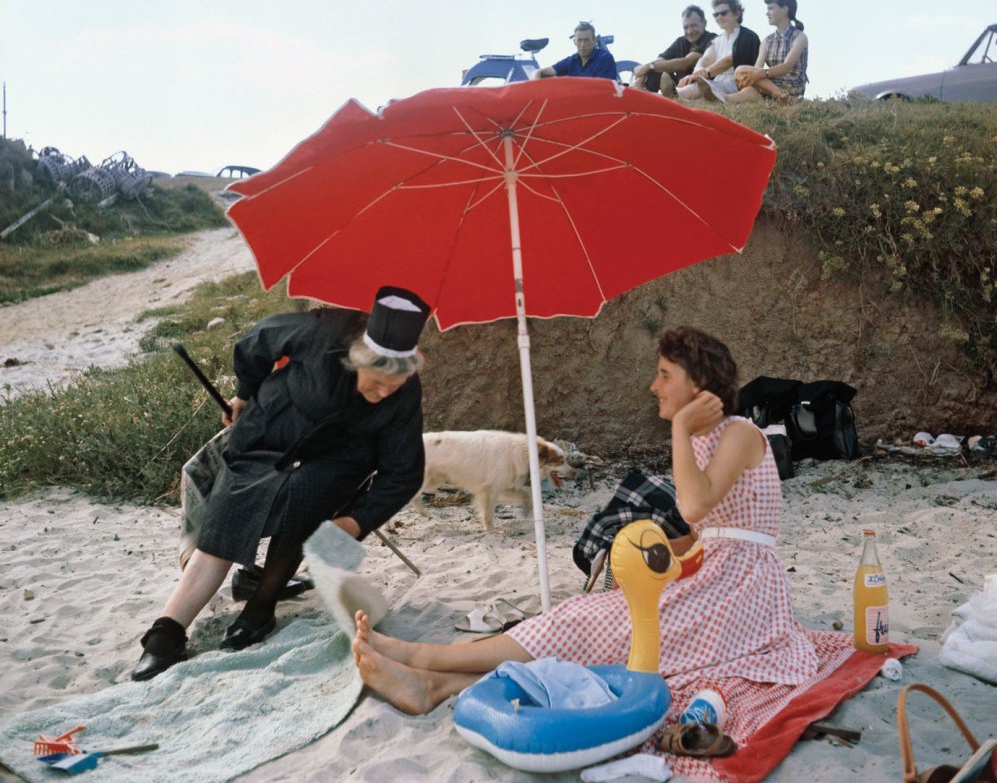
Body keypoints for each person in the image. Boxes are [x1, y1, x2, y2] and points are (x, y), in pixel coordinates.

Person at [352, 325, 821, 715]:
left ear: (698, 385)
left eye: (664, 375)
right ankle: (434, 685)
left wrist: (678, 428)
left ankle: (422, 659)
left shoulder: (738, 433)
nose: (653, 386)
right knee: (588, 621)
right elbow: (699, 533)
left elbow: (695, 508)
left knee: (594, 629)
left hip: (742, 591)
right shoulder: (702, 441)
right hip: (713, 577)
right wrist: (638, 558)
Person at [131, 285, 431, 682]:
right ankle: (166, 632)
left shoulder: (404, 393)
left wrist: (355, 522)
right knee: (225, 518)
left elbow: (403, 471)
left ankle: (260, 607)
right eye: (375, 382)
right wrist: (244, 394)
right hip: (268, 435)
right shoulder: (319, 334)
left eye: (391, 388)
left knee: (308, 499)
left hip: (337, 458)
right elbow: (255, 343)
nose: (382, 394)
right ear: (356, 359)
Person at [675, 0, 760, 103]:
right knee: (694, 97)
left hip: (738, 84)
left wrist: (705, 73)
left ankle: (667, 98)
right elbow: (705, 59)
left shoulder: (747, 36)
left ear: (737, 13)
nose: (719, 17)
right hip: (718, 83)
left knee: (692, 90)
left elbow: (729, 60)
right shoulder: (716, 40)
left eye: (723, 13)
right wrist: (699, 70)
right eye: (716, 14)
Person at [728, 0, 809, 103]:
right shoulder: (767, 41)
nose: (767, 13)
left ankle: (782, 95)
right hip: (771, 85)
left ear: (785, 10)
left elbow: (786, 66)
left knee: (741, 71)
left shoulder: (799, 37)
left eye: (771, 8)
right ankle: (724, 98)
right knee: (747, 85)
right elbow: (756, 69)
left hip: (792, 86)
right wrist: (752, 76)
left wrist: (760, 74)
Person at [631, 6, 717, 98]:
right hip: (680, 85)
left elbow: (686, 63)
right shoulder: (681, 41)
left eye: (694, 26)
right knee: (655, 71)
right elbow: (660, 60)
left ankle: (669, 97)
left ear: (704, 23)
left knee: (654, 68)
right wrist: (639, 80)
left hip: (702, 86)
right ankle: (638, 95)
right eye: (686, 27)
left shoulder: (712, 39)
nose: (690, 31)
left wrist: (649, 66)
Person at [535, 21, 618, 80]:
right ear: (575, 42)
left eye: (586, 40)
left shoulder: (605, 59)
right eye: (579, 40)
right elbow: (542, 72)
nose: (582, 45)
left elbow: (604, 90)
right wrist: (536, 77)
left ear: (594, 41)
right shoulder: (572, 61)